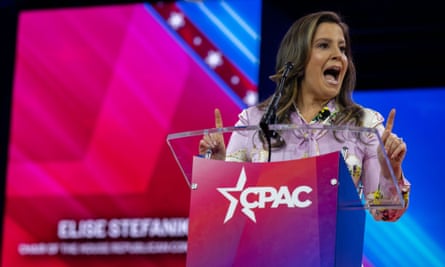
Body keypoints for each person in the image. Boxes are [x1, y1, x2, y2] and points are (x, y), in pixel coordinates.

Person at [199, 10, 410, 222]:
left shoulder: (364, 125)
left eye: (342, 48)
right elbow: (223, 212)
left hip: (333, 254)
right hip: (262, 252)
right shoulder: (255, 122)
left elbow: (385, 211)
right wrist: (217, 164)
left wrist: (390, 169)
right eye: (324, 45)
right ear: (297, 58)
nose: (339, 55)